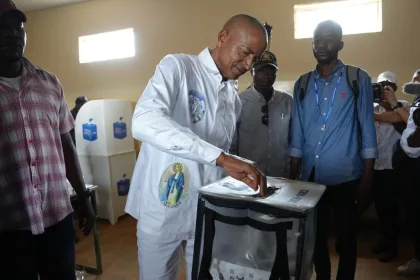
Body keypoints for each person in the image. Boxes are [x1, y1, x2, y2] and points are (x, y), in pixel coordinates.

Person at [125, 14, 268, 280]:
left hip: (204, 214)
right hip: (162, 211)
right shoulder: (178, 67)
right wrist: (223, 158)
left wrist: (236, 170)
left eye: (255, 58)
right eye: (245, 52)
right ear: (223, 37)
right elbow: (145, 121)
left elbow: (215, 155)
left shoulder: (232, 98)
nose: (249, 64)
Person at [0, 1, 95, 279]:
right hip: (8, 226)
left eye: (18, 29)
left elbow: (66, 146)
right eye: (2, 29)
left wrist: (84, 198)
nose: (14, 35)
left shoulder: (50, 83)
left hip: (57, 217)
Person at [289, 20, 377, 280]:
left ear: (340, 44)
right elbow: (297, 135)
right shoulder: (302, 84)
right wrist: (292, 177)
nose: (321, 44)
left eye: (328, 39)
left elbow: (368, 129)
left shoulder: (357, 78)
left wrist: (368, 178)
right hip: (311, 178)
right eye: (316, 39)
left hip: (346, 176)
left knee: (347, 238)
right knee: (315, 238)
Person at [230, 50, 292, 177]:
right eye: (261, 71)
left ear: (276, 74)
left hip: (281, 177)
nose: (266, 76)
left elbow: (294, 140)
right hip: (249, 177)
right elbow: (232, 145)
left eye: (271, 72)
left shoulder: (287, 102)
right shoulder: (239, 101)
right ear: (252, 72)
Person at [370, 72, 410, 262]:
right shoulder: (372, 107)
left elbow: (400, 119)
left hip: (394, 167)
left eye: (388, 85)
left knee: (393, 208)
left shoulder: (402, 106)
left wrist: (389, 105)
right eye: (380, 85)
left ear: (394, 87)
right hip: (375, 165)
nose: (383, 89)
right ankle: (385, 238)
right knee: (381, 206)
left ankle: (392, 245)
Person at [394, 79, 420, 276]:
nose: (414, 82)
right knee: (414, 216)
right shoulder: (415, 106)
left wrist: (395, 104)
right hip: (413, 173)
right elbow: (410, 145)